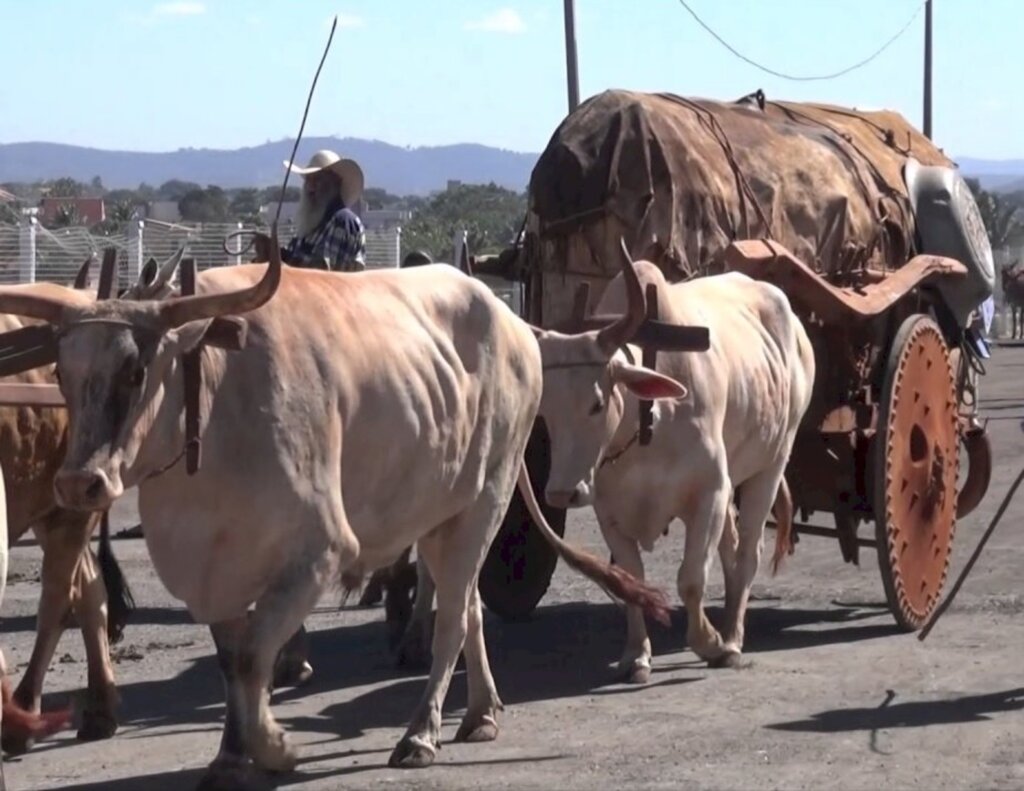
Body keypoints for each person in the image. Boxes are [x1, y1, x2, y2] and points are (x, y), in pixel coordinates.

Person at [280, 149, 367, 272]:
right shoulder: (313, 222)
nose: (311, 187)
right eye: (308, 180)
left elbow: (327, 275)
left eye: (317, 179)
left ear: (335, 183)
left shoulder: (342, 221)